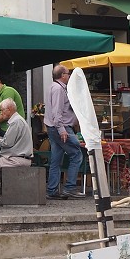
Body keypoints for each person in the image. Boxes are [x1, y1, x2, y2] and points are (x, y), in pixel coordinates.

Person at [44, 64, 84, 200]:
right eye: (68, 73)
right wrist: (62, 130)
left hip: (53, 127)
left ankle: (52, 189)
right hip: (61, 128)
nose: (69, 75)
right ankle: (70, 188)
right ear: (62, 75)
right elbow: (57, 112)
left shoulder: (52, 87)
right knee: (77, 154)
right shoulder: (59, 90)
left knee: (56, 159)